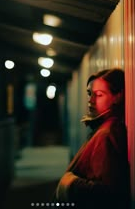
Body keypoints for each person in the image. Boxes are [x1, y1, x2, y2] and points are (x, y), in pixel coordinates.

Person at [54, 68, 130, 209]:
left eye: (99, 95)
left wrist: (70, 185)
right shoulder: (103, 128)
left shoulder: (106, 134)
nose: (91, 101)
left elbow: (109, 193)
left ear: (117, 97)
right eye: (89, 94)